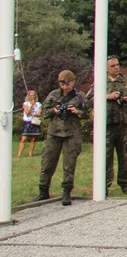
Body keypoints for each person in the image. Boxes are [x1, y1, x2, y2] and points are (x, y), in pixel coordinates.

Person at [88, 55, 127, 196]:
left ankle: (125, 183)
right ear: (106, 68)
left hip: (124, 124)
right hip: (106, 125)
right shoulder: (100, 81)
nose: (117, 67)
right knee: (105, 156)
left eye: (118, 65)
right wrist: (107, 96)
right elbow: (88, 99)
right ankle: (104, 184)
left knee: (125, 155)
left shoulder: (126, 80)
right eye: (113, 66)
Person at [31, 71, 88, 205]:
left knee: (69, 164)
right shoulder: (53, 95)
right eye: (62, 84)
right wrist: (54, 111)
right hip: (54, 132)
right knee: (47, 162)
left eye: (67, 84)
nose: (65, 87)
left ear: (73, 82)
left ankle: (67, 192)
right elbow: (43, 112)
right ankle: (43, 191)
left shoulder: (80, 97)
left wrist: (76, 111)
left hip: (72, 133)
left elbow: (88, 113)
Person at [18, 90, 42, 157]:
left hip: (35, 122)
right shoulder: (26, 104)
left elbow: (40, 113)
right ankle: (19, 154)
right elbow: (27, 112)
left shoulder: (38, 104)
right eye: (30, 95)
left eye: (33, 95)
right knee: (24, 139)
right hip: (27, 122)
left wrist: (34, 114)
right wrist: (31, 105)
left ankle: (30, 154)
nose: (32, 96)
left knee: (33, 139)